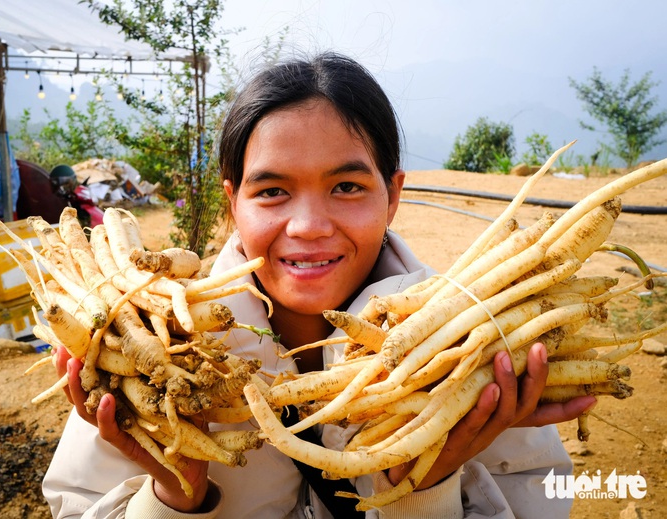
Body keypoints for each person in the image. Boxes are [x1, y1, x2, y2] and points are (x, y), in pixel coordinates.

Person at [43, 52, 596, 518]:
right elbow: (75, 501)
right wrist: (176, 493)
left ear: (393, 195)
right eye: (273, 192)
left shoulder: (477, 347)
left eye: (348, 186)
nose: (308, 225)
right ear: (233, 203)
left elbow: (542, 497)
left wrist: (425, 490)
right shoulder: (149, 348)